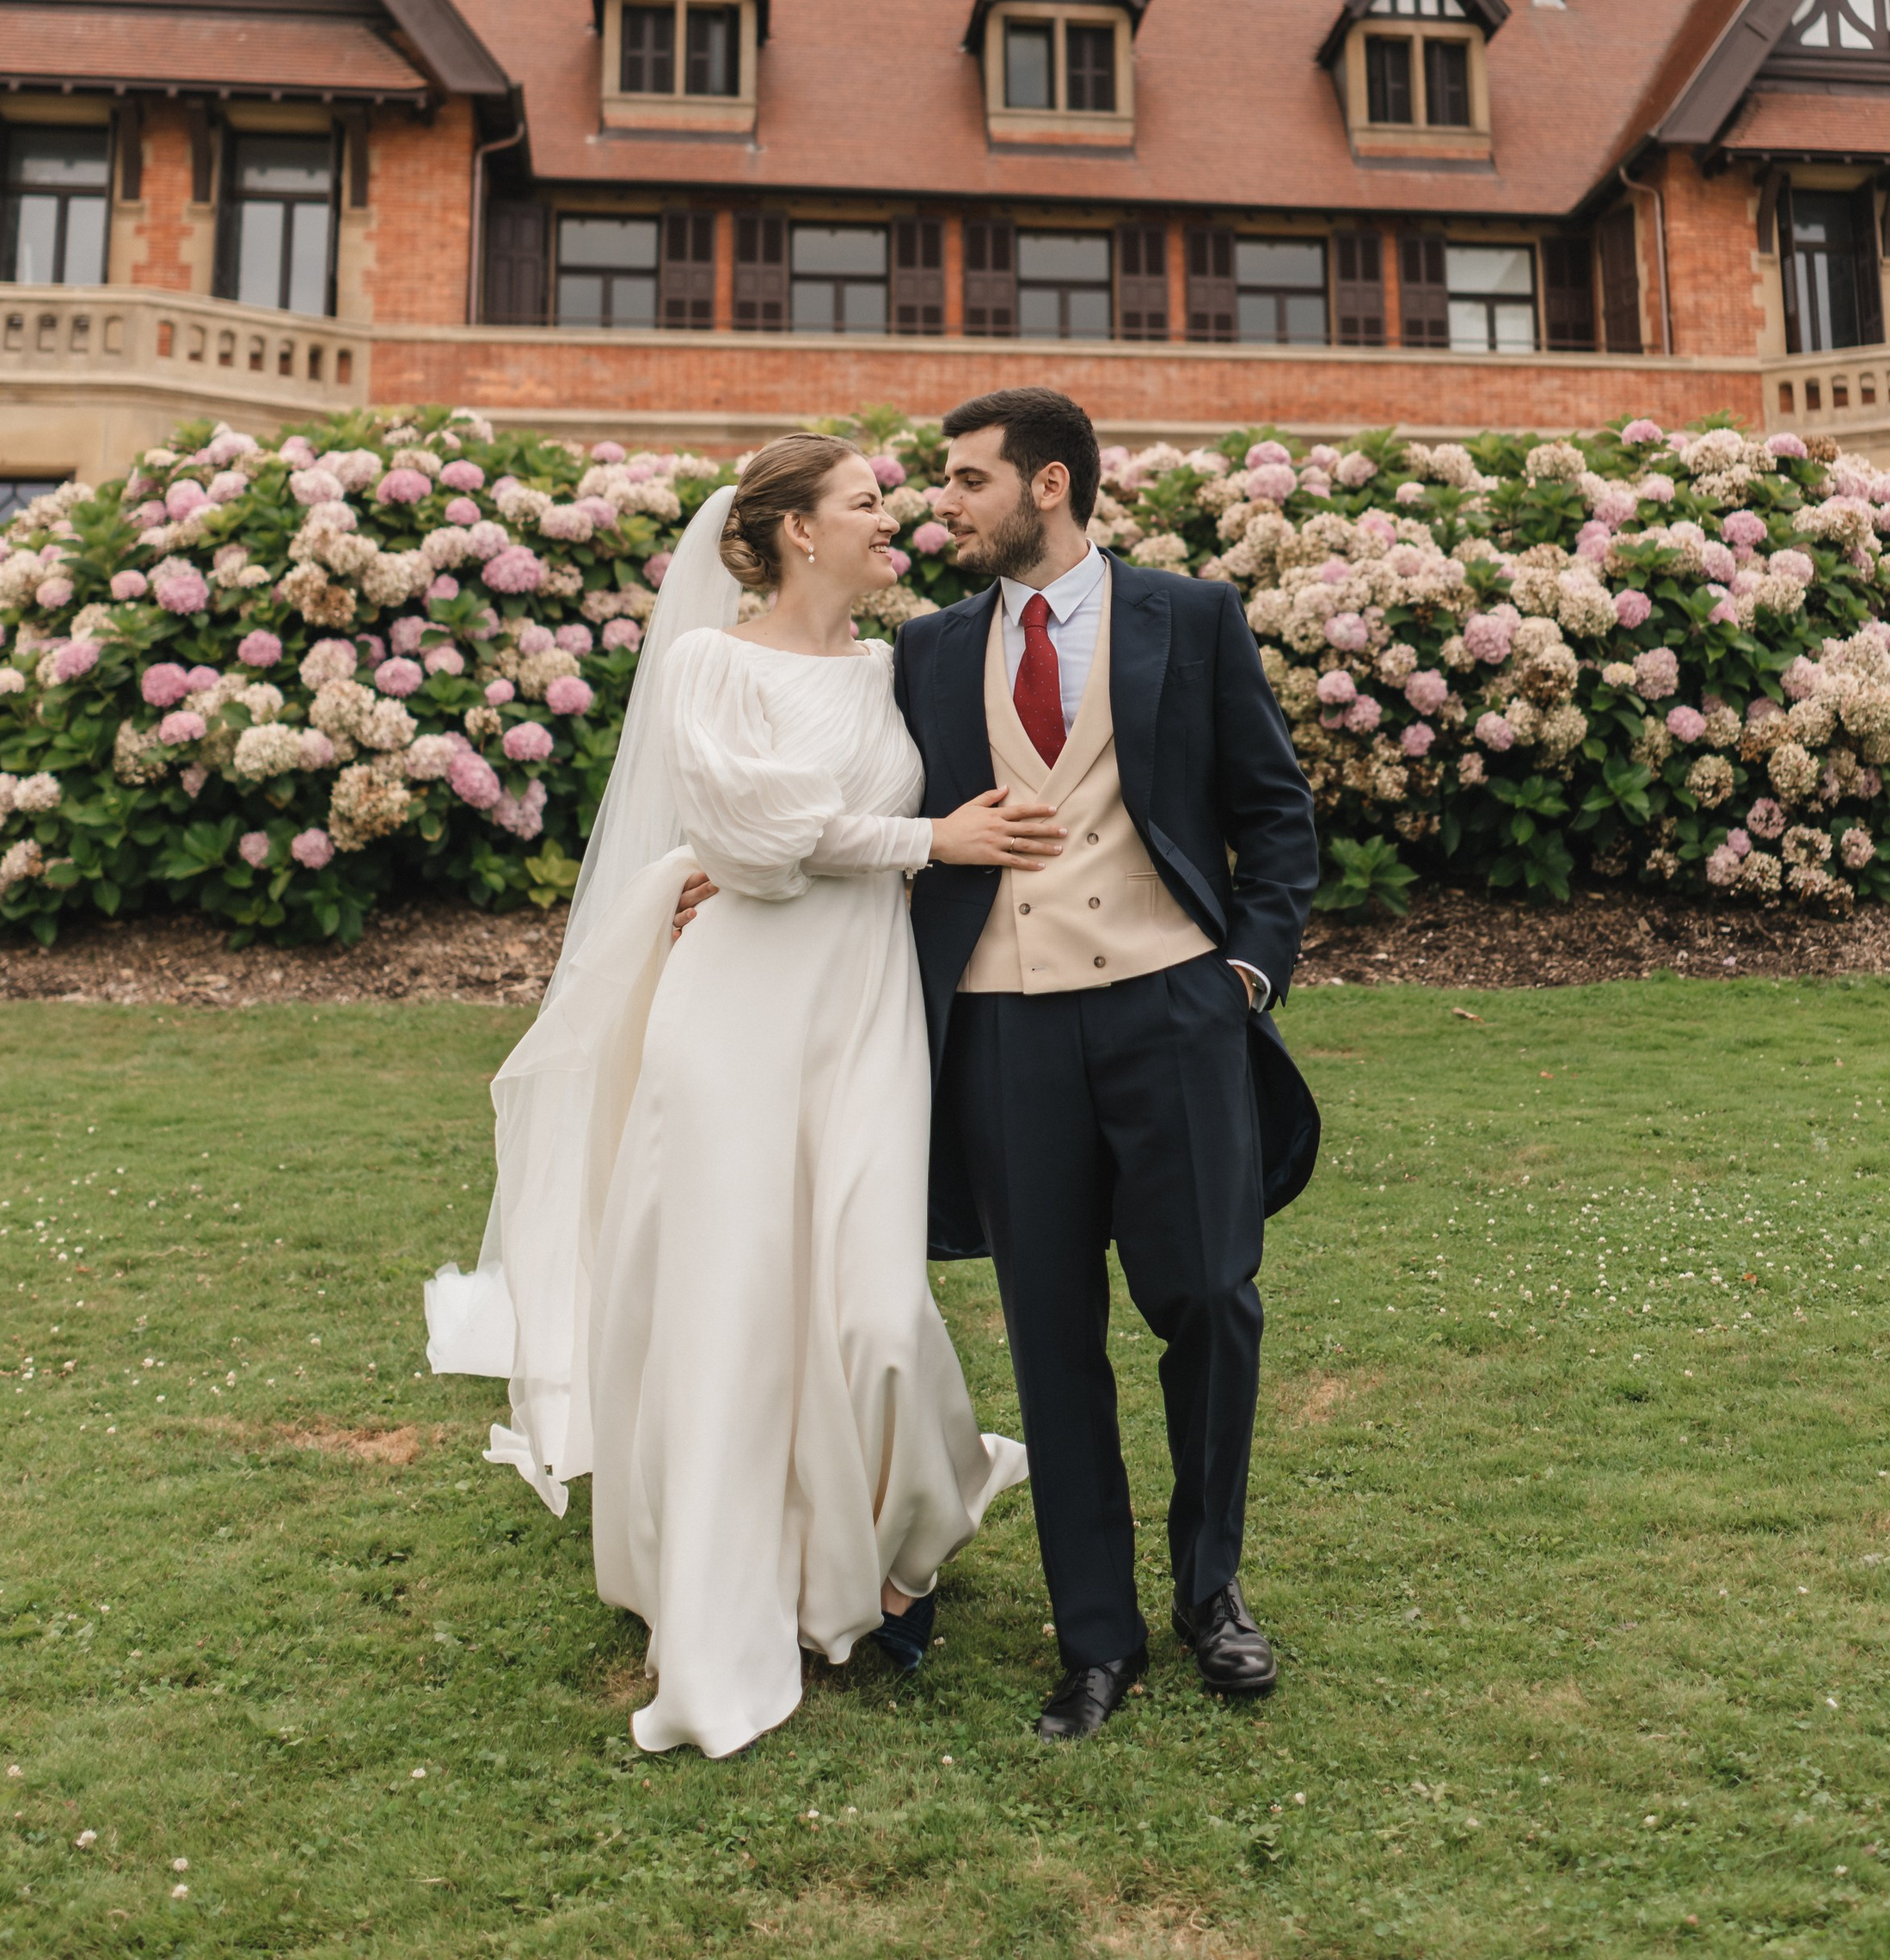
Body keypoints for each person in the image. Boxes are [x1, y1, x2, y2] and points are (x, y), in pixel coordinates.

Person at [424, 435, 1052, 1760]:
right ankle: (733, 1590)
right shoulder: (710, 664)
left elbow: (797, 836)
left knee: (878, 1313)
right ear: (792, 533)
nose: (896, 521)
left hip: (864, 1011)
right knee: (731, 1303)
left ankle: (911, 1534)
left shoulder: (899, 672)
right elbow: (753, 844)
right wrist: (923, 841)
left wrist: (895, 849)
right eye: (868, 504)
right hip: (731, 1016)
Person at [896, 387, 1321, 1742]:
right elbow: (853, 821)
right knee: (1051, 1336)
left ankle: (1212, 1593)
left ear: (1055, 486)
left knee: (1209, 1296)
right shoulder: (923, 651)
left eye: (969, 481)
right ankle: (1095, 1639)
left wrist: (1244, 971)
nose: (943, 504)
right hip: (1005, 1028)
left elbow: (1273, 812)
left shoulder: (1188, 620)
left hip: (1170, 1011)